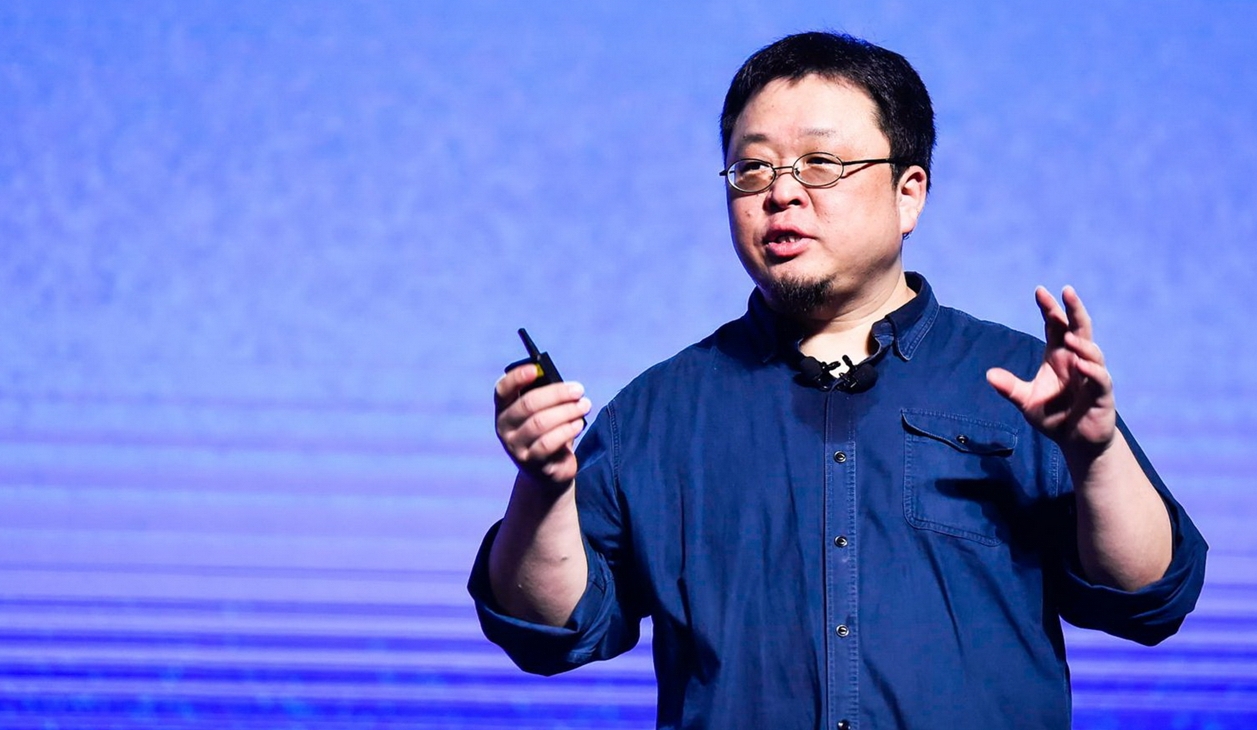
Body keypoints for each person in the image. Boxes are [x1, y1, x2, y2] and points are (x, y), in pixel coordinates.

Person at [470, 31, 1207, 730]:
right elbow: (547, 629)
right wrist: (542, 486)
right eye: (753, 169)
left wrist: (1094, 454)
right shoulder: (659, 413)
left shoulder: (1022, 382)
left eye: (820, 164)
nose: (780, 193)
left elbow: (1149, 598)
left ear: (908, 193)